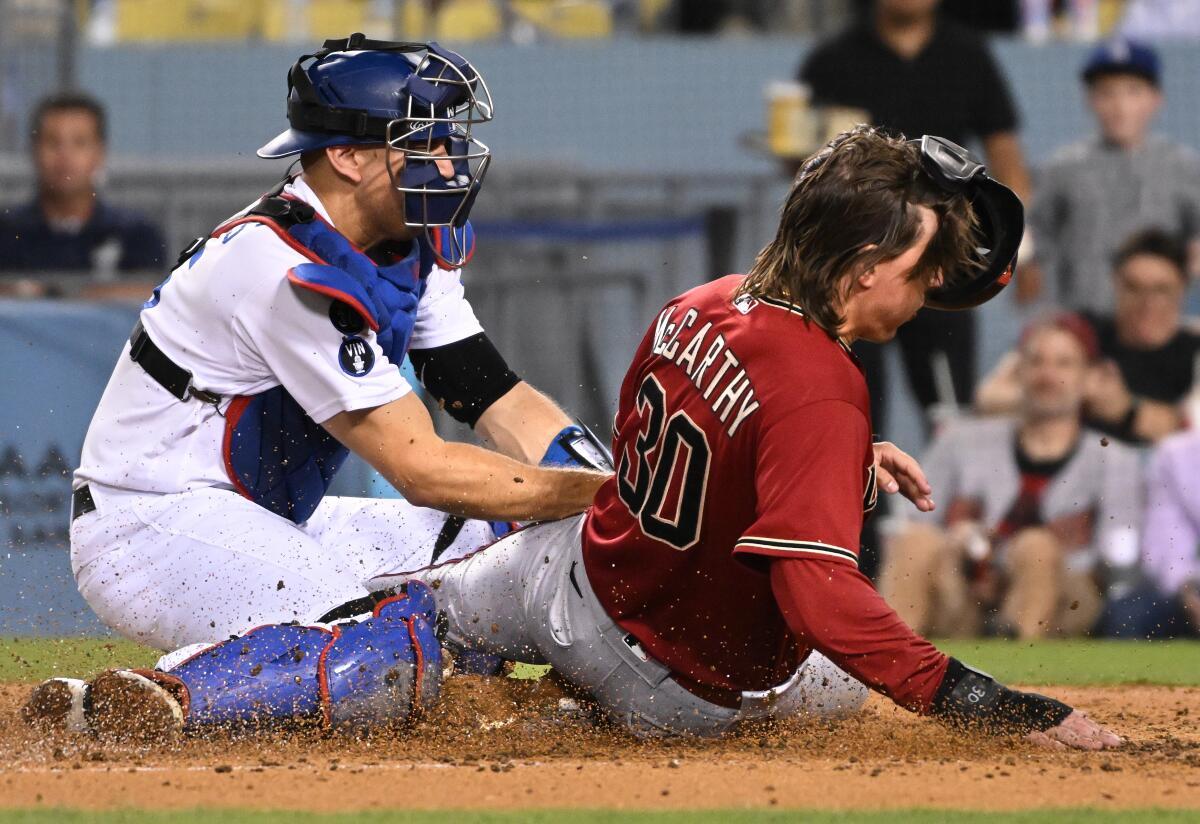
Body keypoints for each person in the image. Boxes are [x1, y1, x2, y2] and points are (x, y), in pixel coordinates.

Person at [32, 128, 1120, 752]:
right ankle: (545, 701)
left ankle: (185, 691)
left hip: (568, 579)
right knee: (836, 677)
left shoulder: (705, 300)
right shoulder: (823, 391)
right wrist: (996, 702)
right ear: (860, 267)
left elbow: (734, 410)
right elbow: (822, 602)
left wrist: (838, 450)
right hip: (674, 685)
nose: (930, 288)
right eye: (921, 268)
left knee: (421, 613)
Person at [28, 34, 608, 702]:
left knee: (504, 530)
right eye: (423, 141)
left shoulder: (407, 238)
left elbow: (493, 396)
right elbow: (420, 469)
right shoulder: (277, 263)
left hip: (267, 516)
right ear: (348, 156)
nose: (447, 162)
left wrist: (609, 494)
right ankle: (151, 702)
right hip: (150, 529)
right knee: (386, 653)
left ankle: (537, 689)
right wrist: (603, 499)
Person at [798, 0, 1032, 435]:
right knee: (851, 408)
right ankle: (864, 504)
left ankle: (949, 502)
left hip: (942, 260)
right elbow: (806, 166)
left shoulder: (967, 54)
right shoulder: (832, 59)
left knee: (950, 416)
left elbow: (1006, 155)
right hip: (855, 262)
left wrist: (1021, 248)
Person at [882, 314, 1143, 640]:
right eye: (1036, 361)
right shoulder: (961, 439)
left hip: (1064, 595)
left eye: (1064, 363)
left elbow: (1120, 562)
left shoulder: (1114, 459)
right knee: (916, 541)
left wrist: (1008, 562)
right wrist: (964, 545)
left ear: (1089, 377)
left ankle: (1023, 668)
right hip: (962, 586)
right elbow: (910, 522)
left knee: (1036, 548)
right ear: (1018, 371)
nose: (1048, 375)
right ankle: (885, 663)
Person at [1025, 37, 1200, 313]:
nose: (1120, 106)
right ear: (1090, 100)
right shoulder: (1061, 168)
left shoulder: (1184, 168)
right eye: (1107, 92)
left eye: (1133, 91)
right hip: (1084, 321)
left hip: (1157, 324)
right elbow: (1033, 236)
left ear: (1156, 99)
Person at [976, 229, 1200, 444]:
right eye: (1134, 288)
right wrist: (1067, 391)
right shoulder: (1079, 333)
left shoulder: (1194, 350)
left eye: (1161, 290)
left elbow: (1192, 428)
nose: (1147, 303)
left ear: (1183, 288)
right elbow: (989, 396)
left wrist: (1125, 410)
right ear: (1116, 284)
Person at [0, 93, 165, 283]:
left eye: (79, 143)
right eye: (53, 142)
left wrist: (49, 294)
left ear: (99, 152)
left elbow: (151, 295)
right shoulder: (6, 233)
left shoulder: (136, 235)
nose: (65, 155)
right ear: (33, 150)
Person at [1140, 429, 1200, 637]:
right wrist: (1188, 591)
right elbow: (1167, 543)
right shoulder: (1176, 454)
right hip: (1191, 590)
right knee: (1128, 614)